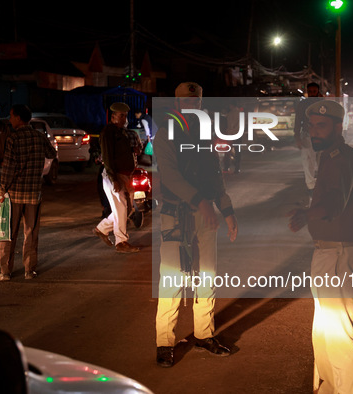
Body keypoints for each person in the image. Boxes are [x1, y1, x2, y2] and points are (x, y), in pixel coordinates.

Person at [154, 82, 238, 367]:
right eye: (187, 103)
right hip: (175, 213)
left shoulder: (205, 134)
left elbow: (215, 176)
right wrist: (200, 201)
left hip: (205, 216)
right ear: (178, 104)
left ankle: (204, 335)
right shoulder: (166, 134)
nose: (192, 107)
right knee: (173, 278)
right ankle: (165, 343)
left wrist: (227, 210)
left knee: (208, 275)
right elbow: (171, 176)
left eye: (197, 102)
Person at [288, 100, 353, 394]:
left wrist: (307, 213)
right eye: (312, 126)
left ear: (338, 126)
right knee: (323, 329)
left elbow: (335, 201)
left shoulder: (340, 157)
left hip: (337, 254)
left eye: (322, 126)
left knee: (338, 333)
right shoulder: (331, 157)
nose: (314, 132)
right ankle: (329, 387)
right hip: (327, 252)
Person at [0, 104, 56, 281]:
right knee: (31, 233)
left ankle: (5, 272)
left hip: (14, 193)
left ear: (18, 118)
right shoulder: (39, 136)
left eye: (11, 116)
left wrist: (1, 191)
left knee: (9, 233)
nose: (9, 119)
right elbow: (52, 153)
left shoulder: (13, 139)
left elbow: (7, 169)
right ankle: (29, 270)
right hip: (33, 194)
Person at [92, 102, 140, 253]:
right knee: (121, 208)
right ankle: (121, 242)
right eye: (121, 115)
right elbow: (107, 156)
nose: (124, 118)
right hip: (114, 175)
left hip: (125, 175)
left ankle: (102, 228)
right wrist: (114, 179)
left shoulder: (122, 132)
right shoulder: (108, 132)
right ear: (113, 116)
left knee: (127, 208)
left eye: (125, 116)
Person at [293, 82, 324, 194]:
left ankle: (321, 186)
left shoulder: (323, 104)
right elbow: (298, 121)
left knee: (322, 163)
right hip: (307, 135)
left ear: (318, 92)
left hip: (322, 136)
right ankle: (311, 188)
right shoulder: (303, 104)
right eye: (310, 92)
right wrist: (297, 137)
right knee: (307, 162)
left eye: (314, 92)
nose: (312, 94)